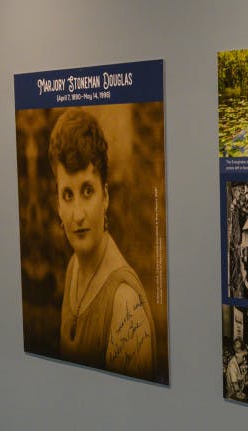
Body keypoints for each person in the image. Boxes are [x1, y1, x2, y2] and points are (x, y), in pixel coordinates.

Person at [50, 109, 156, 380]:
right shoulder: (74, 266)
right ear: (58, 204)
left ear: (105, 196)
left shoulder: (124, 304)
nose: (78, 214)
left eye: (87, 191)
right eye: (68, 195)